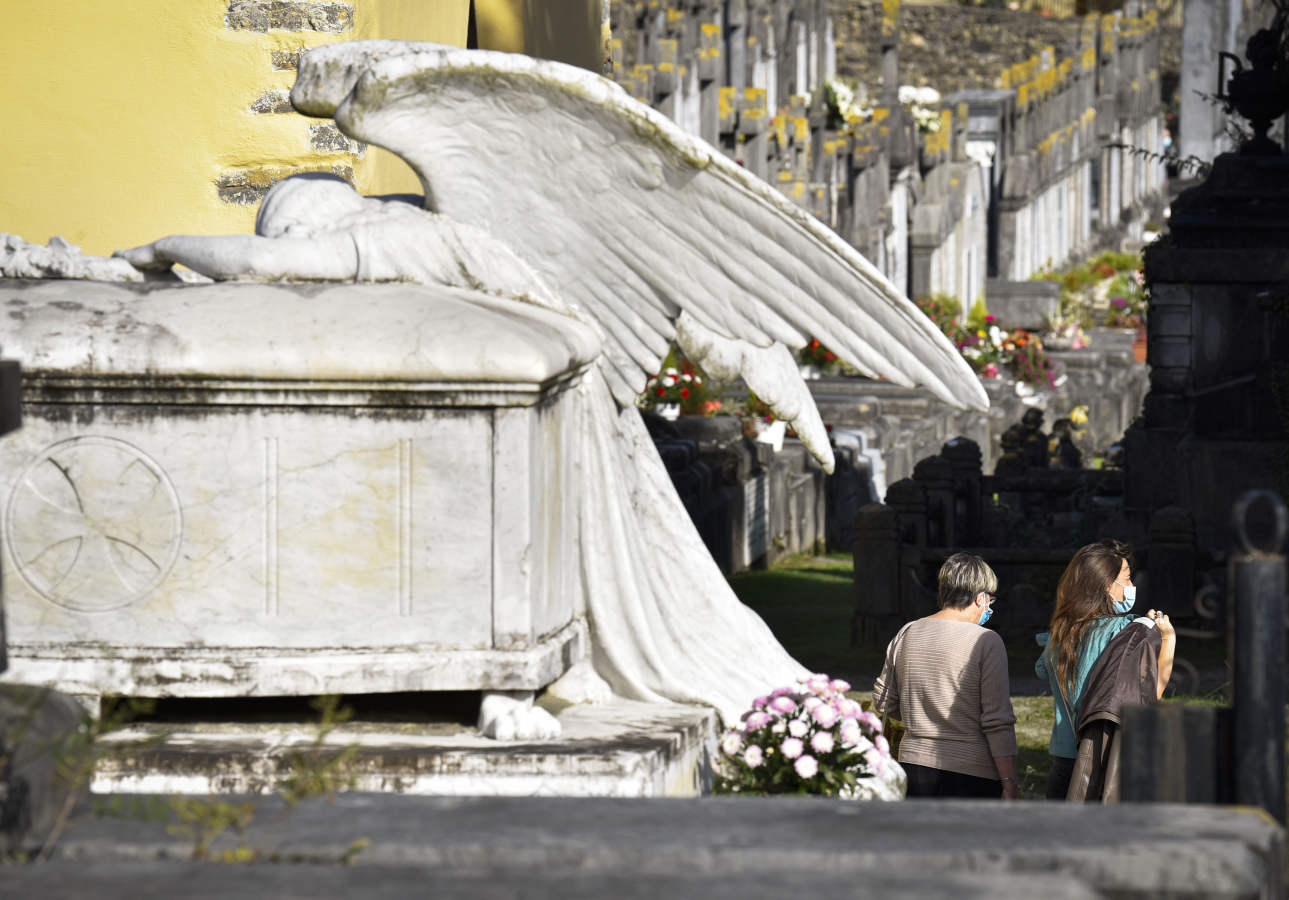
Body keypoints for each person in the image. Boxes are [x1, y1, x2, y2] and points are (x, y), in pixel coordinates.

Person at [1036, 539, 1176, 800]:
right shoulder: (1124, 632)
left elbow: (1042, 670)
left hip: (1062, 762)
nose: (1132, 587)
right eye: (1127, 578)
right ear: (1106, 585)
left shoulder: (1058, 634)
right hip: (1102, 762)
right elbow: (1150, 695)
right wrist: (1169, 638)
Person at [873, 552, 1018, 799]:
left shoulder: (907, 632)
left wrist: (921, 714)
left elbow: (884, 700)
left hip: (913, 765)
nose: (989, 607)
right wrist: (1009, 781)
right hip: (973, 774)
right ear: (980, 597)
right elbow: (997, 720)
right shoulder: (986, 641)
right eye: (990, 600)